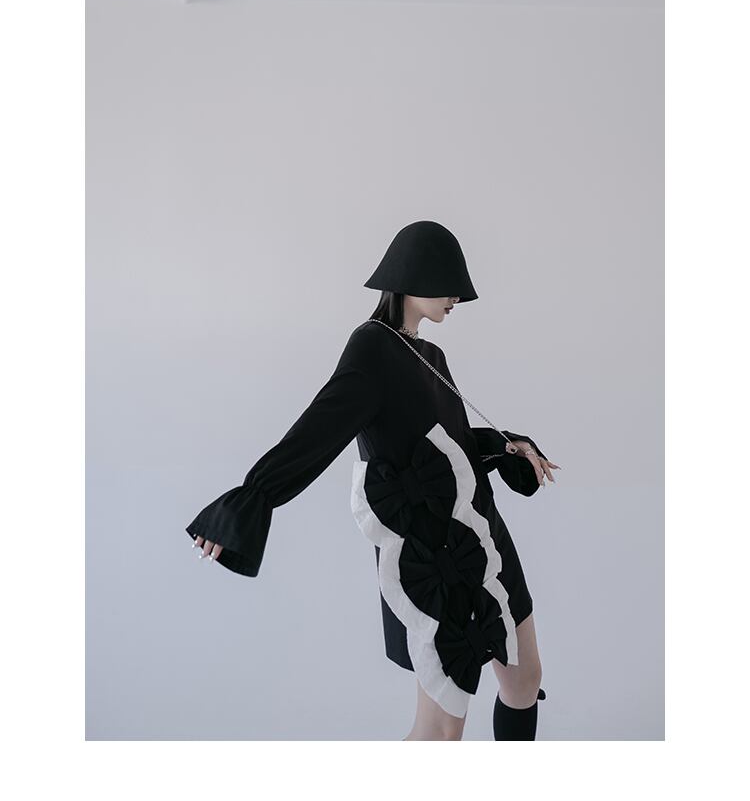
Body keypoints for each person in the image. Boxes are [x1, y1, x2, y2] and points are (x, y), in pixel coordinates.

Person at [185, 220, 560, 740]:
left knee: (524, 679)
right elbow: (318, 430)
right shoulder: (371, 347)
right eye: (448, 282)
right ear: (411, 276)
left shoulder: (432, 355)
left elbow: (449, 442)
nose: (456, 297)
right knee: (440, 729)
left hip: (484, 536)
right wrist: (252, 499)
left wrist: (507, 446)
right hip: (434, 555)